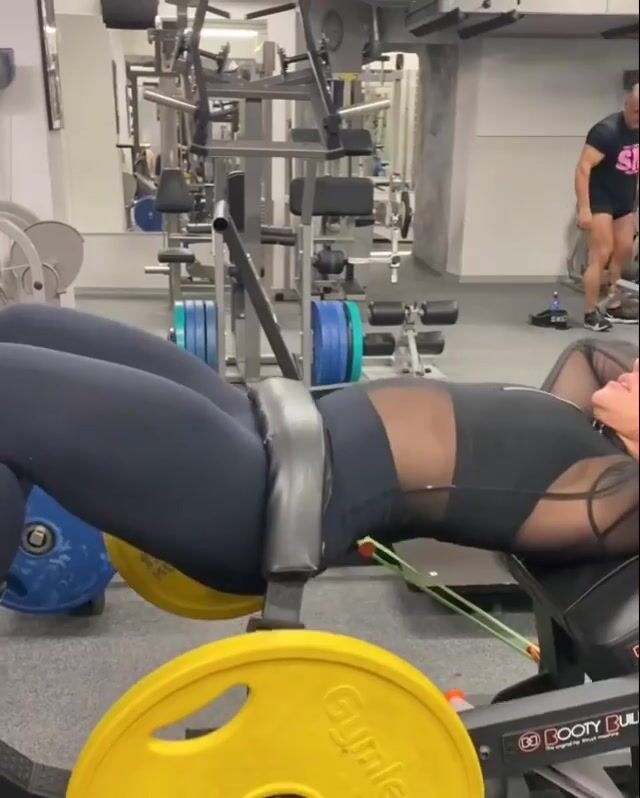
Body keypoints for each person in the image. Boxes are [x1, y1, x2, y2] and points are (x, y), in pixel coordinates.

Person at [0, 304, 637, 597]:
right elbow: (593, 350)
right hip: (259, 419)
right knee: (21, 325)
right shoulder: (584, 417)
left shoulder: (608, 491)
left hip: (258, 495)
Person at [575, 83, 639, 332]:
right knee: (601, 253)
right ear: (626, 105)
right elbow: (583, 168)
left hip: (624, 200)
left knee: (624, 250)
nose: (638, 117)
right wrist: (584, 208)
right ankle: (590, 313)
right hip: (600, 200)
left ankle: (613, 305)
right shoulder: (606, 131)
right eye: (635, 111)